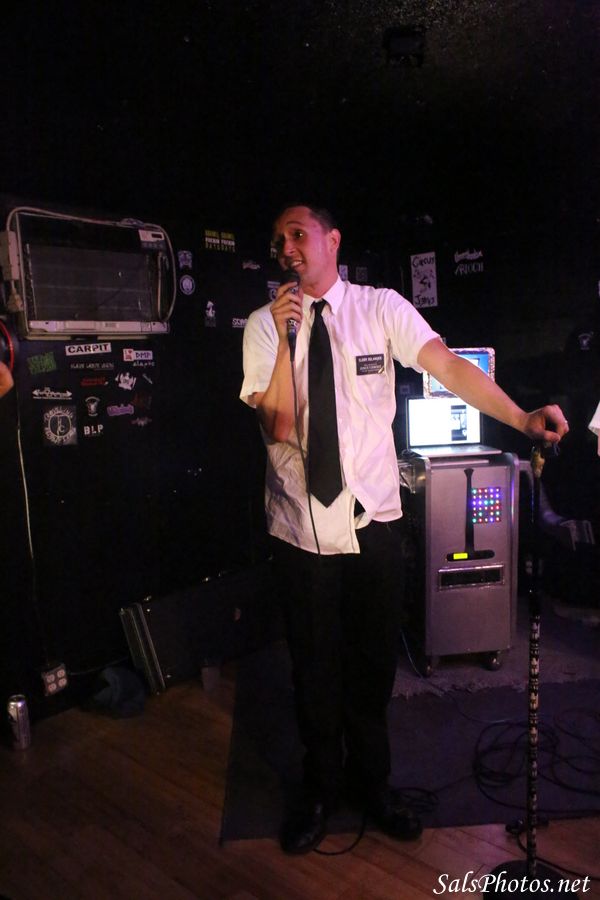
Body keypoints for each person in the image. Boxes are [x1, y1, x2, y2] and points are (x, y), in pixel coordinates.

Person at [239, 203, 569, 855]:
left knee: (370, 667)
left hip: (374, 522)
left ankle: (374, 786)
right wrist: (288, 338)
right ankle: (318, 791)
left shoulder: (380, 307)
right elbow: (276, 425)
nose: (287, 249)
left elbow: (448, 367)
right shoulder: (261, 325)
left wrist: (521, 418)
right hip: (301, 528)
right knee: (313, 669)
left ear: (333, 241)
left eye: (298, 235)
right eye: (278, 241)